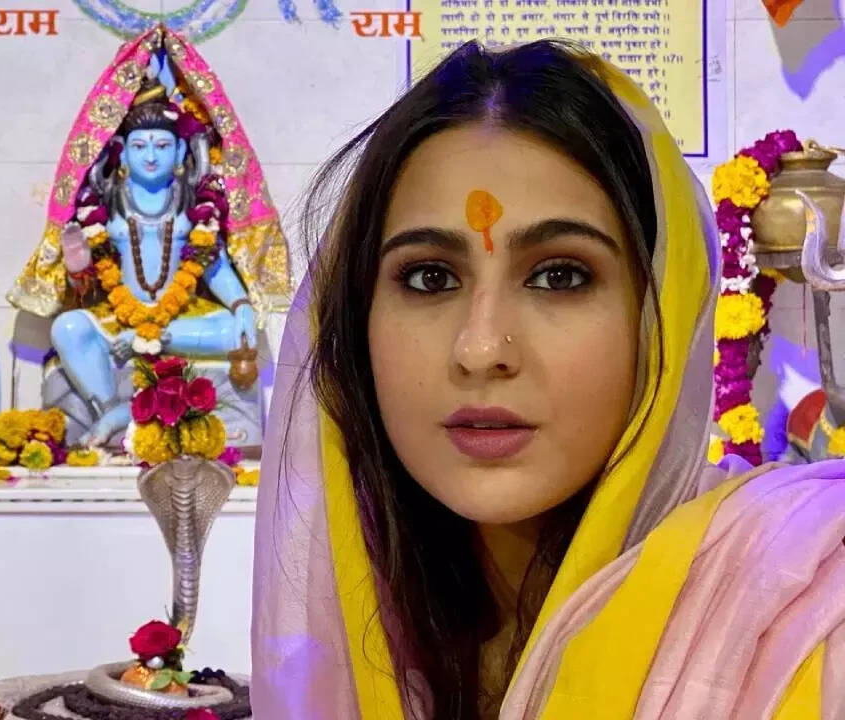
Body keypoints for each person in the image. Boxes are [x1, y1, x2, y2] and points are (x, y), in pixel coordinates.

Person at [251, 39, 845, 719]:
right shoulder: (347, 650)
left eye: (560, 275)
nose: (481, 349)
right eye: (430, 278)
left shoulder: (803, 605)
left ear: (660, 314)